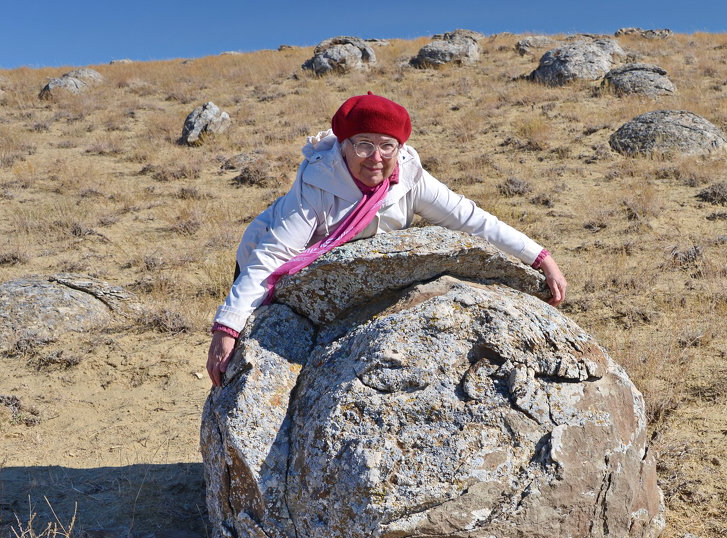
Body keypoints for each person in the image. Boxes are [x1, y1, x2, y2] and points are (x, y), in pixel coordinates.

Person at [205, 92, 568, 387]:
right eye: (363, 145)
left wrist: (540, 258)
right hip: (266, 260)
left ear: (400, 147)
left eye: (387, 146)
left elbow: (471, 219)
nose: (376, 158)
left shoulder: (410, 175)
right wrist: (227, 327)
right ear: (343, 146)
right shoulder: (317, 182)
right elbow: (272, 256)